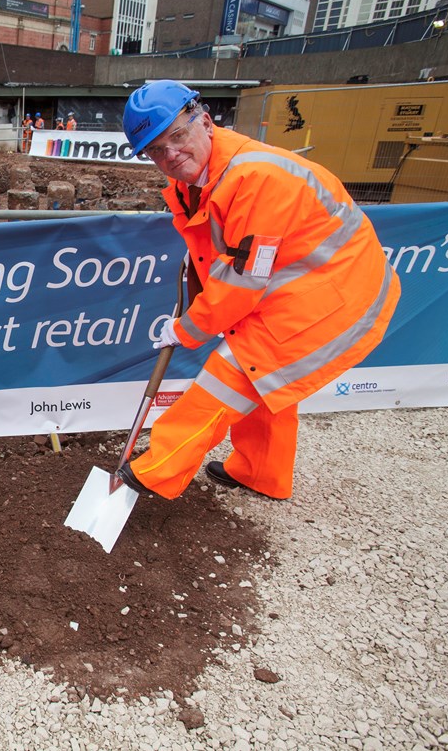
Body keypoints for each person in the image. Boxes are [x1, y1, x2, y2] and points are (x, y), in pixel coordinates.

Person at [115, 79, 400, 501]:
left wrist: (189, 328)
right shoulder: (201, 177)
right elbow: (217, 255)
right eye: (155, 150)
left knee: (235, 371)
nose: (170, 155)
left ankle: (152, 470)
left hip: (336, 292)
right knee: (265, 381)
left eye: (177, 136)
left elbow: (244, 277)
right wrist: (195, 311)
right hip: (297, 283)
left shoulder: (256, 177)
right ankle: (261, 473)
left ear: (205, 122)